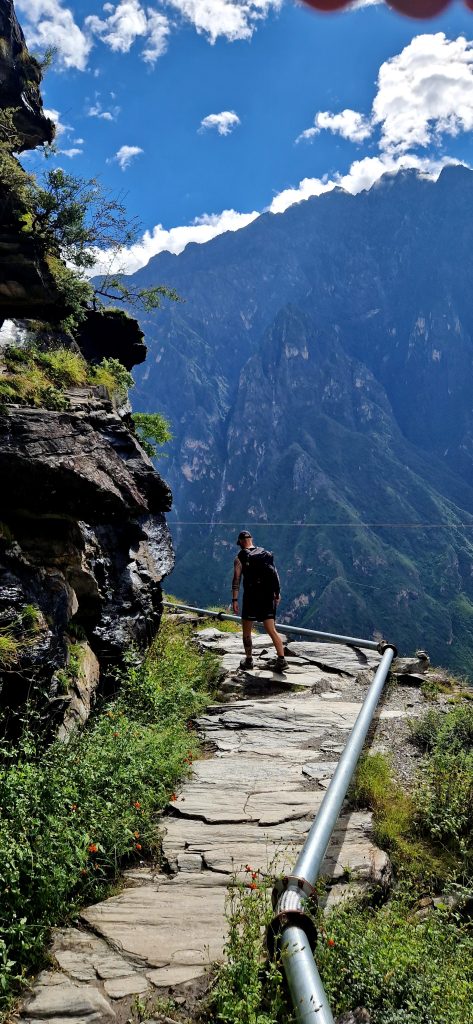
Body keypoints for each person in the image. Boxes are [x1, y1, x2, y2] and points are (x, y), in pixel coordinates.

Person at [231, 530, 288, 673]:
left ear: (240, 542)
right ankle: (282, 660)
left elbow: (236, 580)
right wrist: (277, 593)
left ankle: (249, 660)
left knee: (247, 632)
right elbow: (275, 573)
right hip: (267, 597)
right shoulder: (265, 554)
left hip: (250, 598)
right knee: (272, 630)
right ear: (251, 539)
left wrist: (235, 599)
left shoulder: (240, 557)